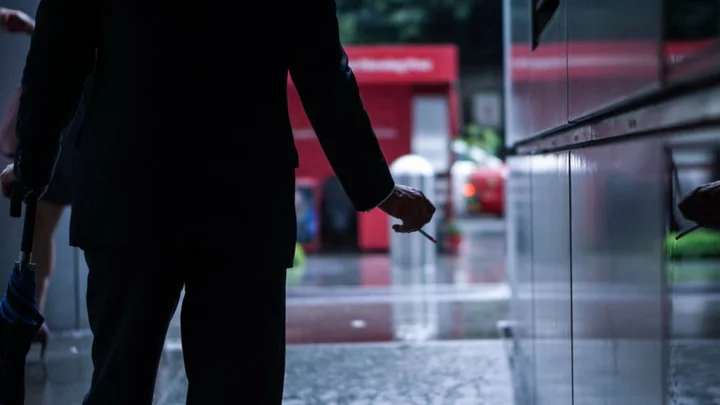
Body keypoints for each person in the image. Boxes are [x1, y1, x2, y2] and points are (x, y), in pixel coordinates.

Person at [0, 0, 436, 404]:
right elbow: (323, 73)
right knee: (239, 387)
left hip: (130, 186)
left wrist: (32, 165)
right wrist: (379, 189)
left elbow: (57, 53)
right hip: (245, 196)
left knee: (120, 379)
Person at [0, 6, 86, 357]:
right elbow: (71, 40)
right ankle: (34, 309)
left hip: (89, 130)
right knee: (42, 228)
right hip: (68, 133)